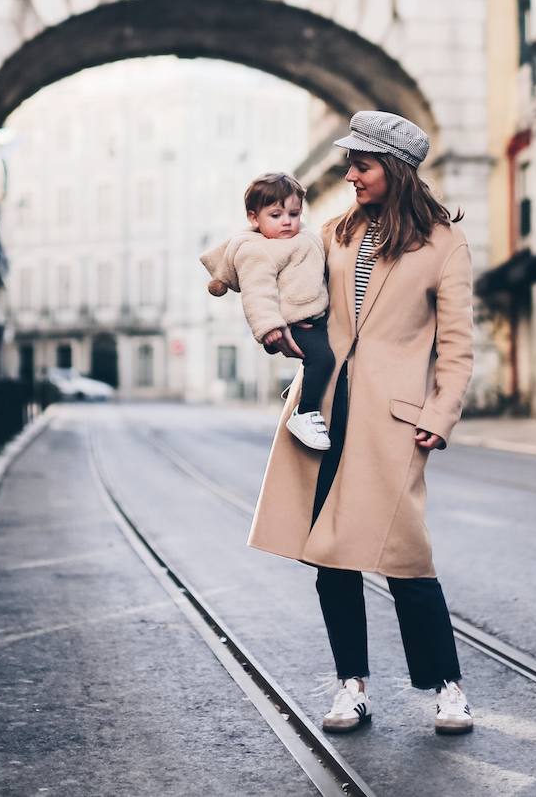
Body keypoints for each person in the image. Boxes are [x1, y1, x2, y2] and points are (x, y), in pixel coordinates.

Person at [247, 110, 475, 737]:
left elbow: (455, 345)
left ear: (394, 171)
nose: (350, 174)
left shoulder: (444, 243)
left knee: (406, 557)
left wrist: (441, 412)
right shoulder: (332, 233)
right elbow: (282, 278)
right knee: (331, 556)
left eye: (361, 165)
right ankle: (352, 684)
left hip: (394, 420)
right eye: (350, 163)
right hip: (325, 407)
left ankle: (447, 688)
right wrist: (274, 328)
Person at [200, 172, 335, 450]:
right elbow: (257, 292)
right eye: (276, 215)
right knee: (323, 359)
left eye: (294, 213)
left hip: (312, 316)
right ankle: (305, 412)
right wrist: (270, 327)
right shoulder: (257, 251)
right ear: (254, 218)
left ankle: (303, 389)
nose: (287, 221)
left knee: (326, 358)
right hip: (289, 323)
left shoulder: (301, 236)